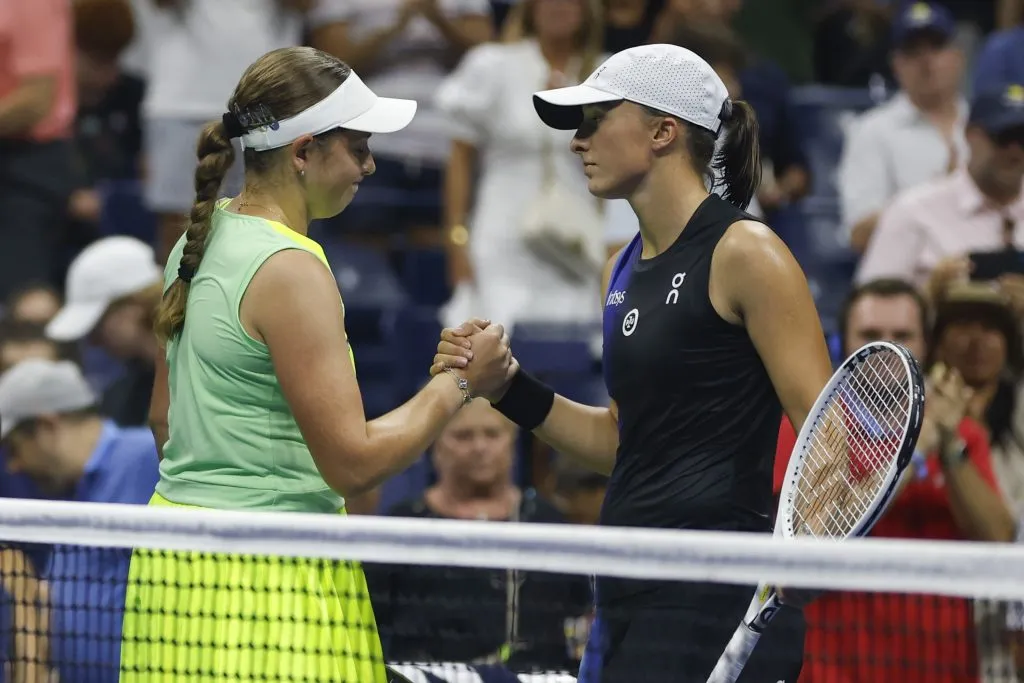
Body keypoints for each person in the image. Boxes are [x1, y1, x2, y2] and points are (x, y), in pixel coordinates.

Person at [432, 43, 834, 683]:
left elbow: (829, 435)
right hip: (627, 583)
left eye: (595, 121)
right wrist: (506, 387)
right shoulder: (616, 269)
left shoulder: (747, 253)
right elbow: (624, 443)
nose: (577, 142)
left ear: (662, 132)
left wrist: (810, 547)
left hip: (718, 592)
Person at [118, 46, 513, 683]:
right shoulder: (291, 269)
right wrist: (462, 382)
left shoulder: (199, 238)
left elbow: (164, 420)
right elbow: (353, 465)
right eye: (357, 146)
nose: (369, 165)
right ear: (303, 152)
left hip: (173, 576)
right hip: (271, 582)